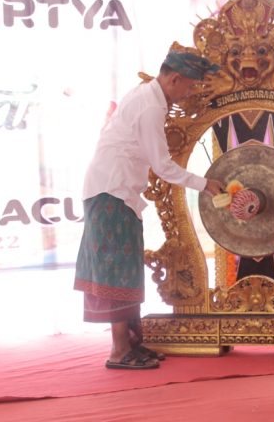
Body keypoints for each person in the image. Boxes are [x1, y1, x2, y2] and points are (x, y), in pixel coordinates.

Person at [74, 50, 224, 370]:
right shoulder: (152, 106)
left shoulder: (148, 96)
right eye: (191, 86)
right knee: (117, 272)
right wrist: (205, 184)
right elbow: (163, 166)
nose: (191, 93)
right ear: (174, 79)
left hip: (117, 192)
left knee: (127, 269)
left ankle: (131, 344)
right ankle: (118, 351)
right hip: (110, 193)